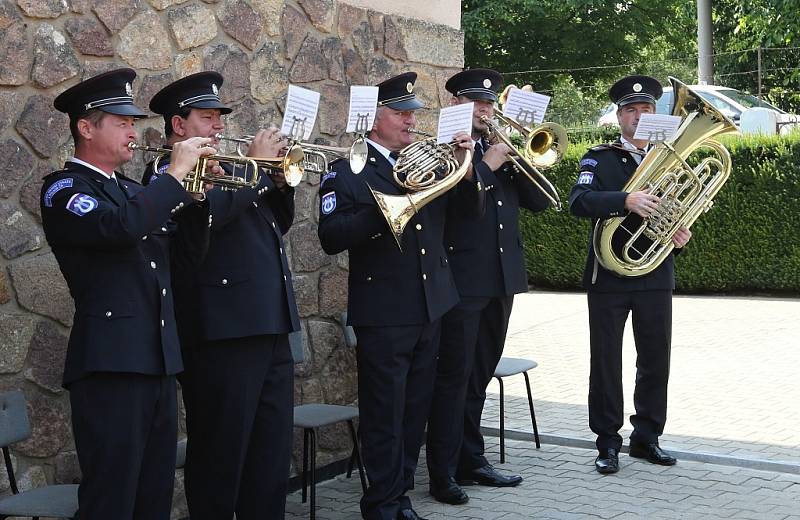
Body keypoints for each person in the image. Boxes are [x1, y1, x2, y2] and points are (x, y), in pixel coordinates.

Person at [41, 68, 212, 520]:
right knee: (111, 499)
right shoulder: (65, 189)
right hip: (111, 365)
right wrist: (173, 178)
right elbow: (118, 230)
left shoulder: (136, 192)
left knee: (152, 496)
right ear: (86, 127)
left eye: (133, 123)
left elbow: (181, 264)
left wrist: (196, 203)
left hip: (155, 360)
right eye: (122, 122)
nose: (133, 132)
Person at [318, 72, 483, 520]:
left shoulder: (423, 159)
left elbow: (465, 217)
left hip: (433, 302)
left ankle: (401, 492)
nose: (410, 121)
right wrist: (386, 202)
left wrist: (466, 170)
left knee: (415, 408)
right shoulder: (347, 171)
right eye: (399, 113)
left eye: (412, 113)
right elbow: (331, 236)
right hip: (386, 309)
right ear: (373, 118)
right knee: (384, 413)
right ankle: (382, 502)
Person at [146, 71, 299, 519]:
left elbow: (275, 225)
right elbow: (206, 220)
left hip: (269, 324)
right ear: (178, 126)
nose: (218, 127)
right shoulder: (165, 173)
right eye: (207, 118)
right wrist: (256, 174)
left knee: (269, 457)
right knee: (220, 457)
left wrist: (278, 178)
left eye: (218, 117)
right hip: (220, 335)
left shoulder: (232, 172)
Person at [425, 69, 552, 505]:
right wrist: (485, 164)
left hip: (502, 279)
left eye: (489, 103)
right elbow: (456, 209)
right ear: (455, 103)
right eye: (476, 102)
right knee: (454, 378)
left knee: (478, 376)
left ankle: (471, 459)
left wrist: (521, 161)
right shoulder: (442, 150)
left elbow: (542, 203)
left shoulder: (501, 150)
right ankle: (441, 473)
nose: (485, 109)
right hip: (462, 280)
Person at [568, 74, 692, 475]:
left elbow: (677, 205)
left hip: (655, 270)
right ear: (619, 116)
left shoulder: (671, 159)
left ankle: (647, 437)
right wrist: (626, 199)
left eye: (647, 110)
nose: (640, 116)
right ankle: (607, 443)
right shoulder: (598, 157)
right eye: (632, 110)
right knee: (606, 360)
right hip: (608, 275)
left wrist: (679, 228)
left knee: (656, 358)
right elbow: (579, 201)